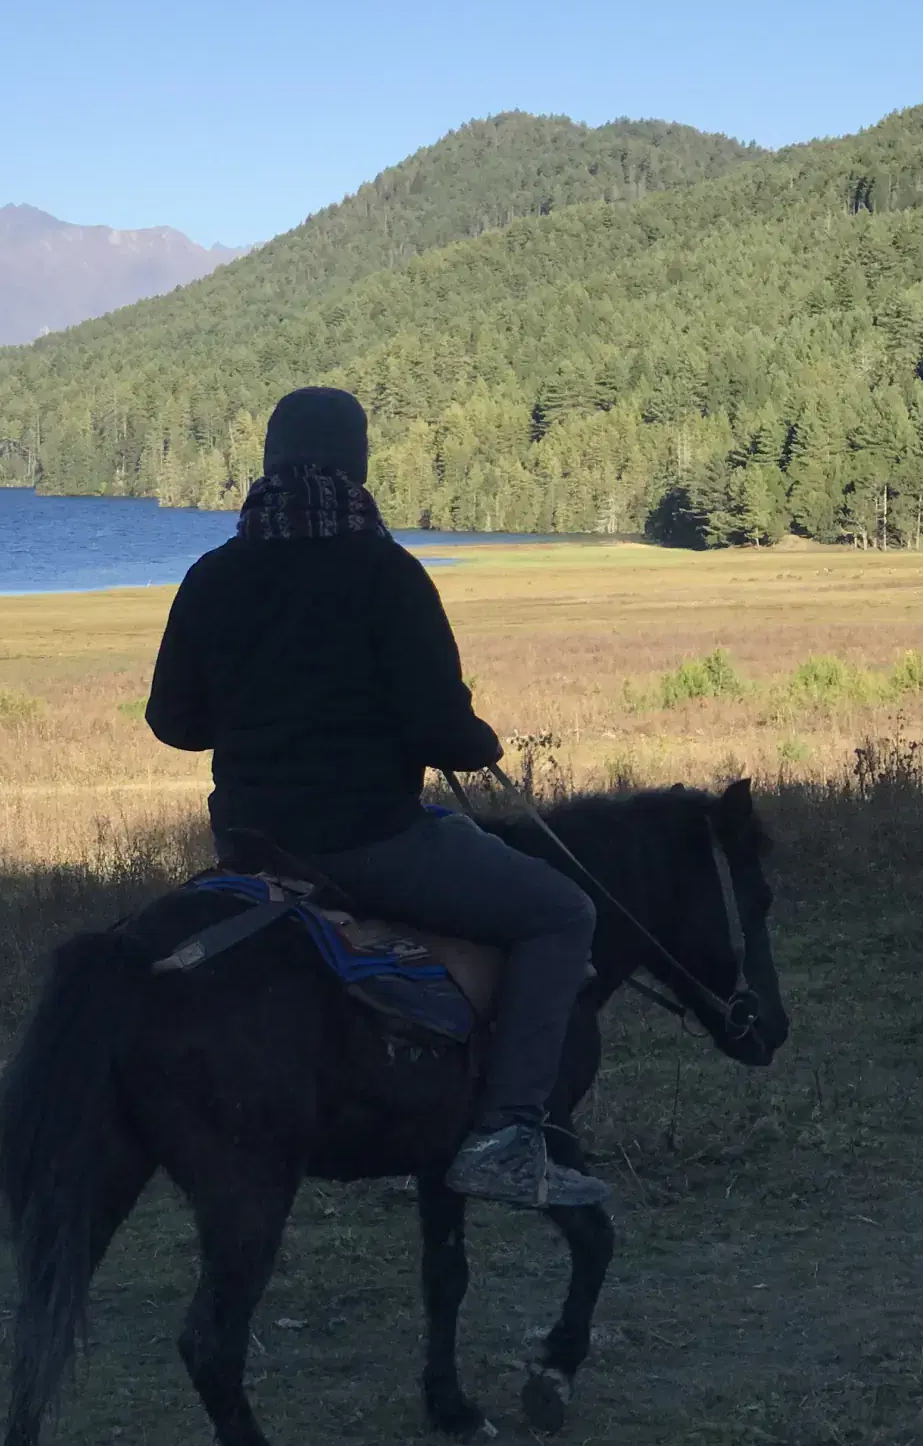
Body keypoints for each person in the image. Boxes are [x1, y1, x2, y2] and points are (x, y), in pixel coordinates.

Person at [144, 385, 608, 1208]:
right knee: (560, 914)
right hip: (371, 843)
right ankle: (507, 1133)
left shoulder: (213, 574)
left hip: (249, 849)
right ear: (357, 464)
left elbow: (172, 723)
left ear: (268, 462)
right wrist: (478, 745)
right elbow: (442, 728)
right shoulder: (386, 572)